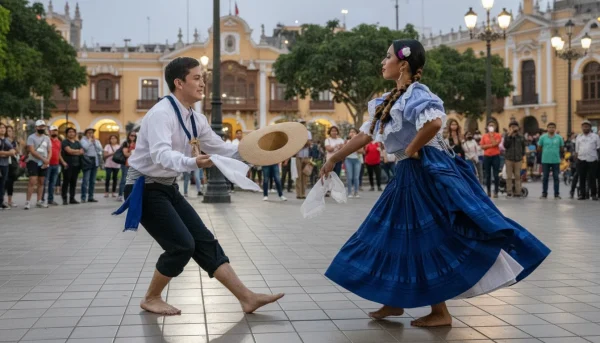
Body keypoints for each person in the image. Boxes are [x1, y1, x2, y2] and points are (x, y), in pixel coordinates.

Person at [319, 39, 549, 327]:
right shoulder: (387, 101)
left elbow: (434, 124)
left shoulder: (418, 94)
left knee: (425, 236)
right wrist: (334, 158)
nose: (382, 61)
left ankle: (438, 311)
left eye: (387, 56)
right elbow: (365, 136)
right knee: (396, 235)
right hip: (407, 174)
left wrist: (412, 149)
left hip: (423, 173)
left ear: (403, 64)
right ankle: (396, 300)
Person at [118, 57, 283, 315]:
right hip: (144, 187)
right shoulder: (161, 114)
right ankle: (151, 297)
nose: (203, 83)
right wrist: (194, 162)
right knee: (182, 245)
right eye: (197, 78)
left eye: (202, 78)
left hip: (167, 186)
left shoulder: (195, 118)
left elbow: (222, 148)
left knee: (203, 241)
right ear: (179, 82)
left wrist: (256, 148)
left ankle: (247, 298)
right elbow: (161, 155)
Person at [25, 120, 51, 210]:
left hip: (44, 162)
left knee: (41, 182)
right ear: (36, 127)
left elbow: (49, 150)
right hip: (33, 161)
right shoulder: (31, 137)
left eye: (43, 126)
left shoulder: (47, 138)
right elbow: (32, 151)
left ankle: (39, 201)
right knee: (32, 181)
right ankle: (28, 202)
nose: (41, 128)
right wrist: (43, 159)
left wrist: (47, 160)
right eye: (40, 127)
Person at [538, 122, 564, 199]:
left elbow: (562, 148)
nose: (551, 128)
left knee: (556, 177)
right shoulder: (542, 137)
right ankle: (544, 194)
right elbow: (539, 148)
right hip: (545, 160)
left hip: (556, 160)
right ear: (547, 128)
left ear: (555, 128)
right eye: (550, 127)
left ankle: (556, 194)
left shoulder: (559, 138)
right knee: (545, 177)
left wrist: (560, 156)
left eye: (553, 127)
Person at [575, 120, 600, 200]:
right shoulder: (579, 137)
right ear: (581, 127)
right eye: (584, 126)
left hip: (592, 160)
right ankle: (583, 195)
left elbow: (598, 147)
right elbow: (577, 149)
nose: (585, 128)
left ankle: (593, 195)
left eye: (587, 126)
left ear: (590, 127)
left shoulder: (595, 136)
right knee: (582, 177)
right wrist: (577, 160)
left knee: (592, 178)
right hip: (581, 159)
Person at [503, 121, 526, 198]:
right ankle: (509, 192)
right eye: (512, 127)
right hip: (509, 158)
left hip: (518, 159)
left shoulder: (521, 136)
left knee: (517, 176)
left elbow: (523, 147)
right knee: (509, 176)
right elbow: (505, 145)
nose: (514, 128)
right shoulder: (507, 135)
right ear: (509, 128)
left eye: (515, 126)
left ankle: (518, 192)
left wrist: (523, 156)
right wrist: (510, 135)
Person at [61, 127, 83, 205]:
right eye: (69, 132)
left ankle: (72, 198)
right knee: (66, 182)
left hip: (76, 165)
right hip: (67, 164)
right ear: (67, 134)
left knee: (73, 182)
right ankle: (64, 198)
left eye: (73, 132)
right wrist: (77, 151)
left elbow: (82, 152)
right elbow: (68, 151)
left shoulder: (77, 142)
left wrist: (74, 151)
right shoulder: (65, 142)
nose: (71, 133)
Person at [480, 121, 502, 198]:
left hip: (496, 156)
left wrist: (492, 136)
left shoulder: (498, 135)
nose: (491, 127)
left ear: (495, 127)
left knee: (496, 175)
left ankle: (496, 191)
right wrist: (491, 145)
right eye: (490, 125)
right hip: (487, 156)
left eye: (492, 125)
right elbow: (482, 146)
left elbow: (496, 144)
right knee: (488, 175)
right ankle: (488, 191)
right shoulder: (484, 136)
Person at [0, 123, 16, 210]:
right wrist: (7, 153)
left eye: (3, 128)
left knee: (3, 184)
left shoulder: (6, 140)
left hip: (5, 165)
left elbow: (13, 150)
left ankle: (1, 202)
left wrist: (4, 153)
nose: (2, 129)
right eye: (0, 128)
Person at [295, 119, 312, 199]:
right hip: (298, 156)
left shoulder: (308, 133)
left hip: (306, 156)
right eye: (301, 123)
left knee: (305, 175)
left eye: (304, 123)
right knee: (298, 175)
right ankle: (298, 193)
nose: (303, 124)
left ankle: (304, 193)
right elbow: (295, 144)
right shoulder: (296, 133)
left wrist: (301, 144)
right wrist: (303, 143)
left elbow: (308, 143)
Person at [117, 132, 137, 201]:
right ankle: (120, 195)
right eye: (131, 135)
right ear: (128, 136)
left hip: (135, 164)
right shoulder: (126, 143)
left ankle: (132, 194)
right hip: (126, 164)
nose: (133, 137)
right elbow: (126, 154)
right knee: (124, 179)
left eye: (134, 136)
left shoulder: (138, 143)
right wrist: (133, 153)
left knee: (134, 180)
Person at [344, 128, 363, 198]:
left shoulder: (360, 141)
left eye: (354, 132)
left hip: (357, 160)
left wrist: (354, 143)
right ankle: (349, 192)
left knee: (356, 177)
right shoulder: (347, 141)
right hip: (348, 160)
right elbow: (345, 150)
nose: (352, 133)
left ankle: (356, 192)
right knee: (349, 177)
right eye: (351, 132)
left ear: (357, 134)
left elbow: (361, 151)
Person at [4, 126, 19, 208]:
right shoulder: (3, 141)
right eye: (8, 131)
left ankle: (10, 200)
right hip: (4, 162)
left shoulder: (14, 141)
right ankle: (3, 200)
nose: (9, 132)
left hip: (12, 163)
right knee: (4, 182)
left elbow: (17, 152)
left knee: (10, 182)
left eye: (11, 131)